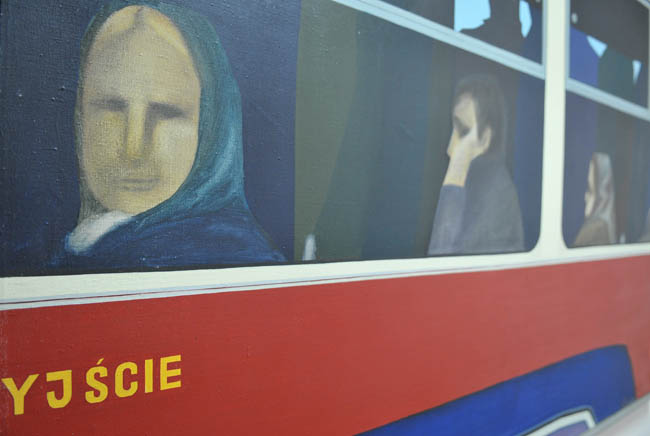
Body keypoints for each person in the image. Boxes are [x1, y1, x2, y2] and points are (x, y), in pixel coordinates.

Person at [52, 1, 284, 270]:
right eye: (111, 107)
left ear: (212, 126)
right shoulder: (83, 248)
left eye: (166, 112)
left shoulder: (233, 256)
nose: (133, 149)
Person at [428, 74, 524, 255]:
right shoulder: (479, 183)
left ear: (485, 139)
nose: (450, 148)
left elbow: (441, 257)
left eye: (463, 131)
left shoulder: (496, 195)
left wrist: (455, 174)